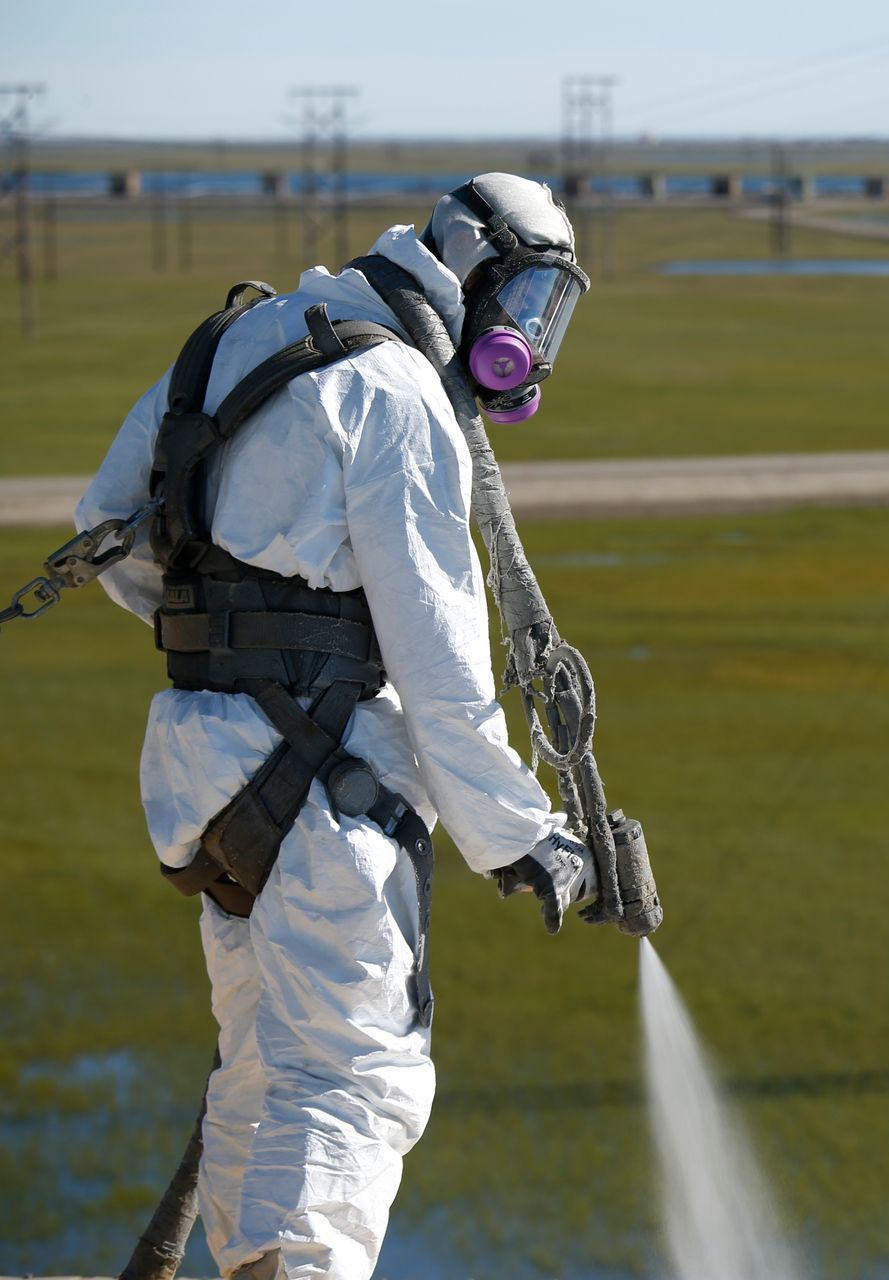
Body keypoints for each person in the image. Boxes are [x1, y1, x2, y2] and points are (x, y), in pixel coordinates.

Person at [78, 173, 597, 1280]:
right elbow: (443, 664)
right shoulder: (396, 392)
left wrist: (233, 644)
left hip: (196, 767)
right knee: (357, 1074)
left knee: (262, 1059)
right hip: (323, 795)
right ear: (480, 273)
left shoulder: (243, 333)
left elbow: (111, 532)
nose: (533, 337)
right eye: (534, 299)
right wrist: (522, 834)